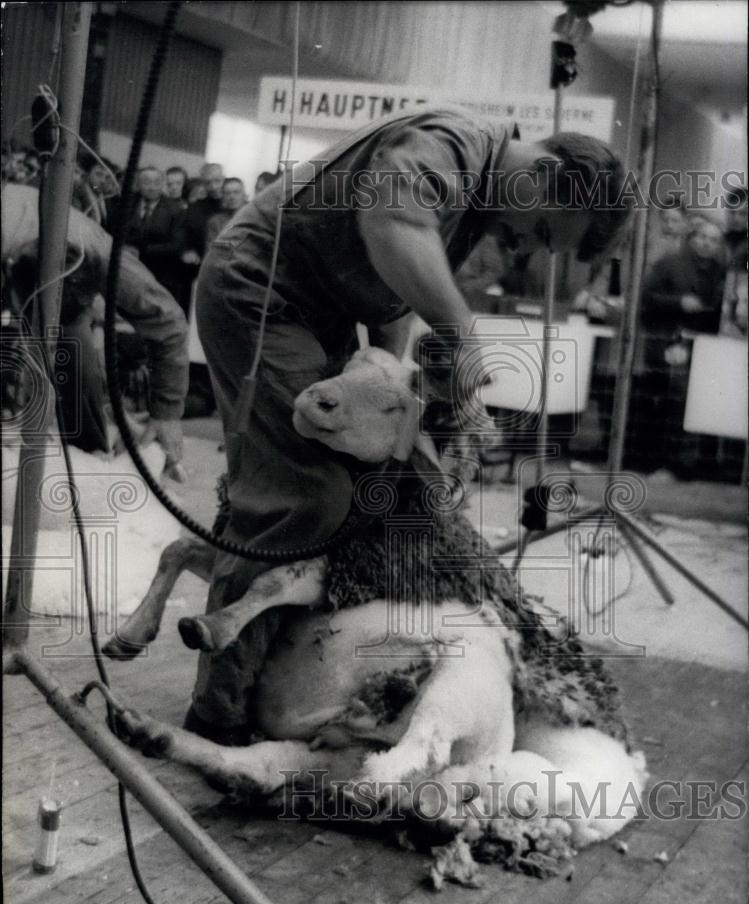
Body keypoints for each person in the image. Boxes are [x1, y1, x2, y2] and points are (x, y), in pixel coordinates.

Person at [184, 106, 629, 744]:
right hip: (258, 295)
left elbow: (388, 287)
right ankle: (217, 712)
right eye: (536, 227)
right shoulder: (447, 143)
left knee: (382, 484)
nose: (523, 244)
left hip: (315, 313)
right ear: (548, 174)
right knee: (311, 491)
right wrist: (462, 330)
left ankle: (277, 668)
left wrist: (392, 366)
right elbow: (393, 223)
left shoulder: (475, 197)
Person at [2, 183, 189, 470]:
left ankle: (91, 462)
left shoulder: (104, 255)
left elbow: (170, 322)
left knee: (75, 358)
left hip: (65, 263)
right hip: (19, 252)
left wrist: (166, 413)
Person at [634, 216, 727, 475]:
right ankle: (661, 462)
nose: (708, 244)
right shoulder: (670, 263)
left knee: (693, 401)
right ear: (692, 238)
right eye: (703, 238)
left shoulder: (721, 273)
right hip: (665, 338)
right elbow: (646, 296)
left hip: (702, 345)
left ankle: (687, 464)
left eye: (714, 240)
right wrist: (678, 302)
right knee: (670, 399)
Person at [124, 165, 186, 309]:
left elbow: (177, 245)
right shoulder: (127, 203)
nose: (152, 187)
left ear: (162, 184)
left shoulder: (176, 210)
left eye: (156, 183)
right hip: (127, 269)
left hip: (160, 272)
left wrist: (142, 251)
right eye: (146, 182)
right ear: (138, 184)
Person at [205, 177, 248, 246]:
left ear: (244, 195)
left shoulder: (255, 219)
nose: (232, 197)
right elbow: (211, 251)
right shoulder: (215, 222)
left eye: (236, 192)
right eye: (228, 193)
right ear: (223, 197)